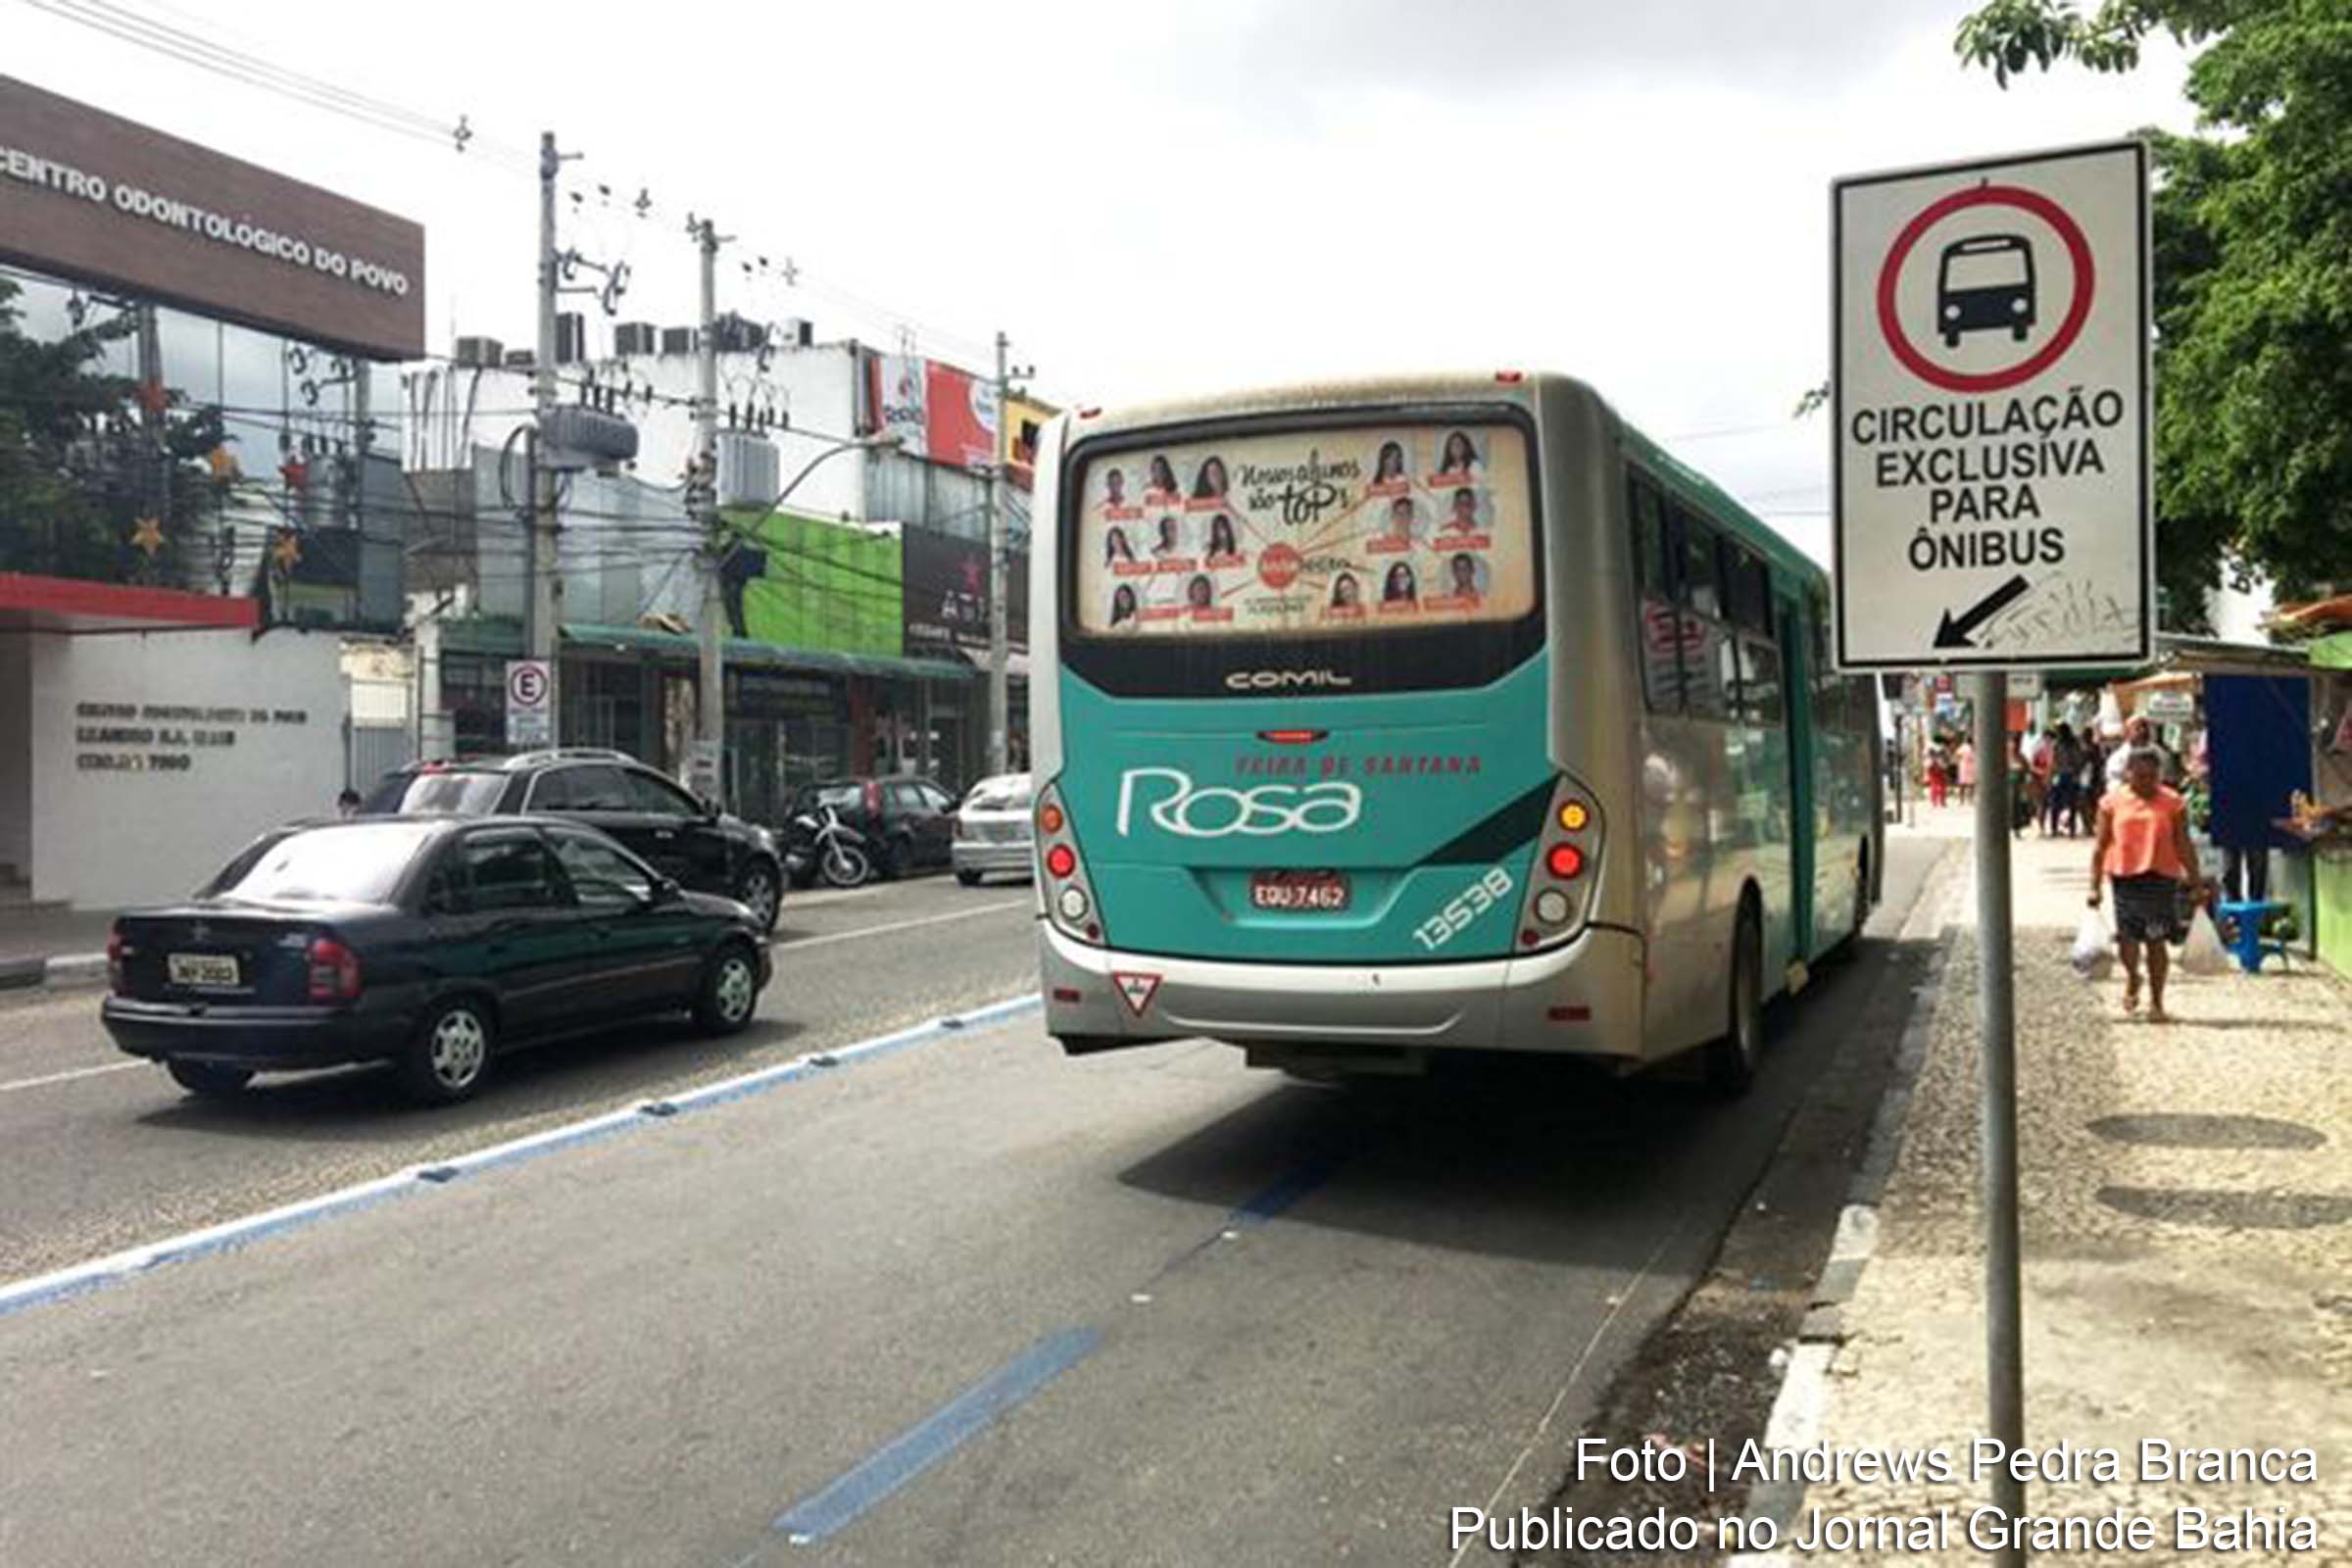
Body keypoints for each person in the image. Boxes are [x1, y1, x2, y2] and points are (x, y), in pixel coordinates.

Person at [2088, 746, 2207, 1022]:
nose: (2146, 782)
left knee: (2156, 939)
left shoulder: (2172, 803)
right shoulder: (2111, 803)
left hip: (2160, 879)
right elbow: (2100, 846)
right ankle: (2132, 976)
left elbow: (2183, 843)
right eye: (2139, 776)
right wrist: (2094, 886)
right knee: (2128, 939)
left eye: (2151, 776)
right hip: (2125, 879)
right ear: (2128, 774)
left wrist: (2196, 881)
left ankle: (2157, 1001)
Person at [2105, 713, 2178, 789]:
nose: (2143, 731)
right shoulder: (2117, 758)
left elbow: (2169, 779)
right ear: (2127, 733)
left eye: (2145, 727)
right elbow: (2114, 785)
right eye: (2137, 728)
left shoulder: (2161, 754)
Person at [2043, 723, 2082, 838]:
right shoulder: (2064, 745)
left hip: (2065, 775)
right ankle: (2059, 828)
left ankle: (2067, 828)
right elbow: (2053, 762)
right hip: (2064, 775)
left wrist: (2050, 776)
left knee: (2066, 803)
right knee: (2060, 803)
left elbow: (2052, 762)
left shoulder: (2071, 745)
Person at [1926, 736, 1949, 808]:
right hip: (1941, 766)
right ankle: (1942, 802)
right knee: (1942, 784)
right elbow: (1947, 757)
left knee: (1933, 784)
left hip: (1931, 766)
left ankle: (1934, 802)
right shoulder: (1943, 748)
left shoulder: (1929, 747)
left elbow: (1925, 756)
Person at [1955, 737, 1977, 805]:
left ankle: (1961, 800)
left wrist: (1959, 760)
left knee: (1962, 784)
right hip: (1972, 766)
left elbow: (1957, 754)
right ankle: (1970, 799)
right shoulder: (1973, 748)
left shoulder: (1963, 747)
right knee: (1971, 784)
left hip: (1963, 766)